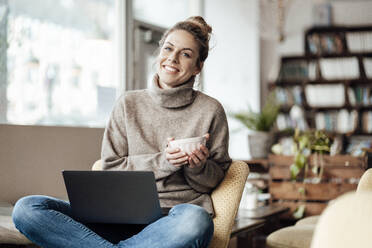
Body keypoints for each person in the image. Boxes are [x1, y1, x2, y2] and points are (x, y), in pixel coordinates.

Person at [12, 16, 232, 248]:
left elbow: (215, 180)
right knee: (27, 208)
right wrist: (164, 162)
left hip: (172, 222)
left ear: (198, 66)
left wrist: (198, 167)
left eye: (186, 54)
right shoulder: (128, 103)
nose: (173, 58)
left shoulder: (210, 110)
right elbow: (109, 167)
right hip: (115, 217)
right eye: (168, 48)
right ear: (160, 52)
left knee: (196, 221)